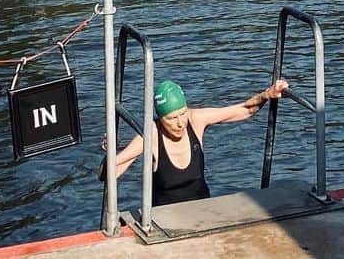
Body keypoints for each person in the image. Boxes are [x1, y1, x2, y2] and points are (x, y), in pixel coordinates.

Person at [107, 77, 289, 205]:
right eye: (171, 118)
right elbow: (110, 171)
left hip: (201, 214)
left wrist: (267, 94)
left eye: (182, 113)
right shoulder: (151, 135)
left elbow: (244, 110)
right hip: (165, 222)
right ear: (160, 119)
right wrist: (110, 156)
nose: (180, 123)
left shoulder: (196, 120)